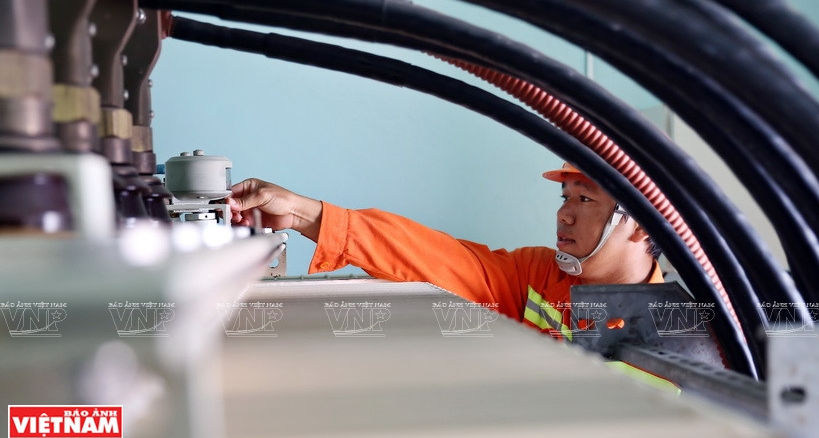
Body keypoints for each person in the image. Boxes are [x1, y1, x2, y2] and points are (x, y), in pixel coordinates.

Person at [228, 162, 663, 340]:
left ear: (642, 222)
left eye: (583, 200)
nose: (564, 215)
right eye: (563, 199)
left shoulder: (684, 333)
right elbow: (436, 257)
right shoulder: (538, 276)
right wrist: (304, 214)